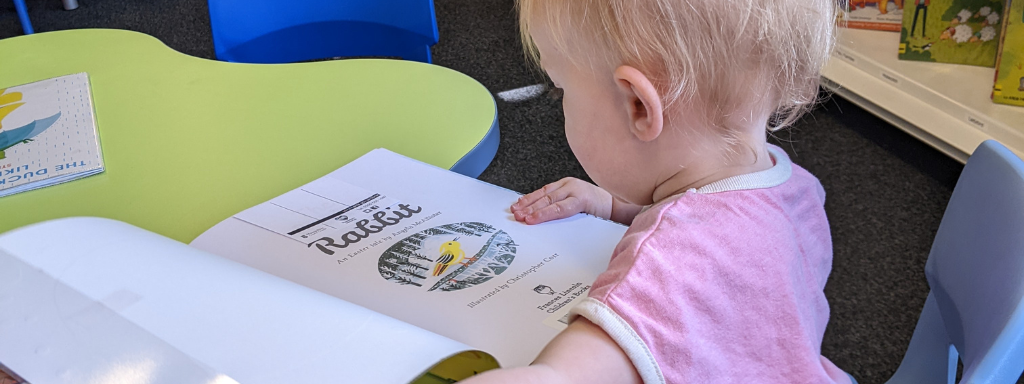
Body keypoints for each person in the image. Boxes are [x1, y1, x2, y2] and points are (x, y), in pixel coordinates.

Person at [461, 0, 851, 383]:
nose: (560, 102)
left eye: (561, 90)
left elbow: (562, 376)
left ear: (639, 107)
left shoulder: (667, 267)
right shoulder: (793, 185)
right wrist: (612, 205)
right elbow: (718, 228)